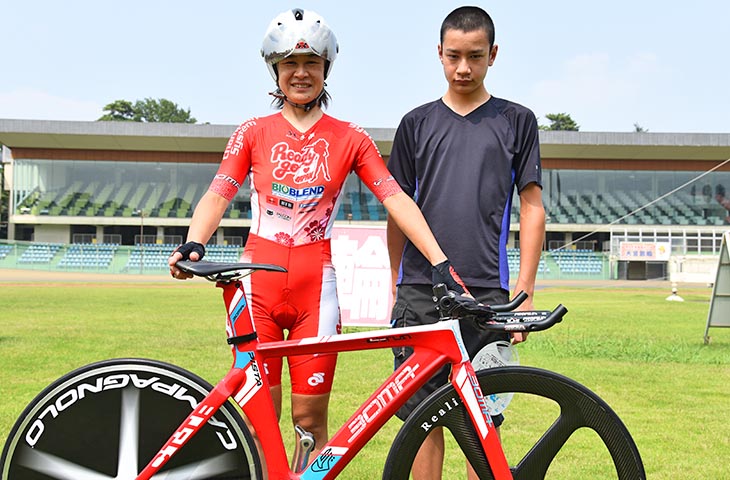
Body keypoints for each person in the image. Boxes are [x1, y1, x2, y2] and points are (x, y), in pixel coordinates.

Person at [168, 8, 464, 469]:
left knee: (310, 422)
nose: (301, 73)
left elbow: (396, 199)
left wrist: (440, 261)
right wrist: (193, 241)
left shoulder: (350, 137)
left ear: (326, 68)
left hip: (315, 289)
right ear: (275, 70)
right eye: (289, 64)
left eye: (311, 63)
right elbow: (217, 193)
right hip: (256, 288)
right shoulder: (253, 132)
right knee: (254, 419)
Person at [387, 6, 545, 479]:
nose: (463, 68)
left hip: (488, 297)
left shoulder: (518, 120)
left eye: (475, 56)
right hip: (421, 292)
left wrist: (525, 292)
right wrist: (399, 285)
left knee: (483, 423)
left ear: (493, 55)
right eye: (453, 55)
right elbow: (398, 210)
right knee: (423, 421)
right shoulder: (415, 124)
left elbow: (532, 206)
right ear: (438, 53)